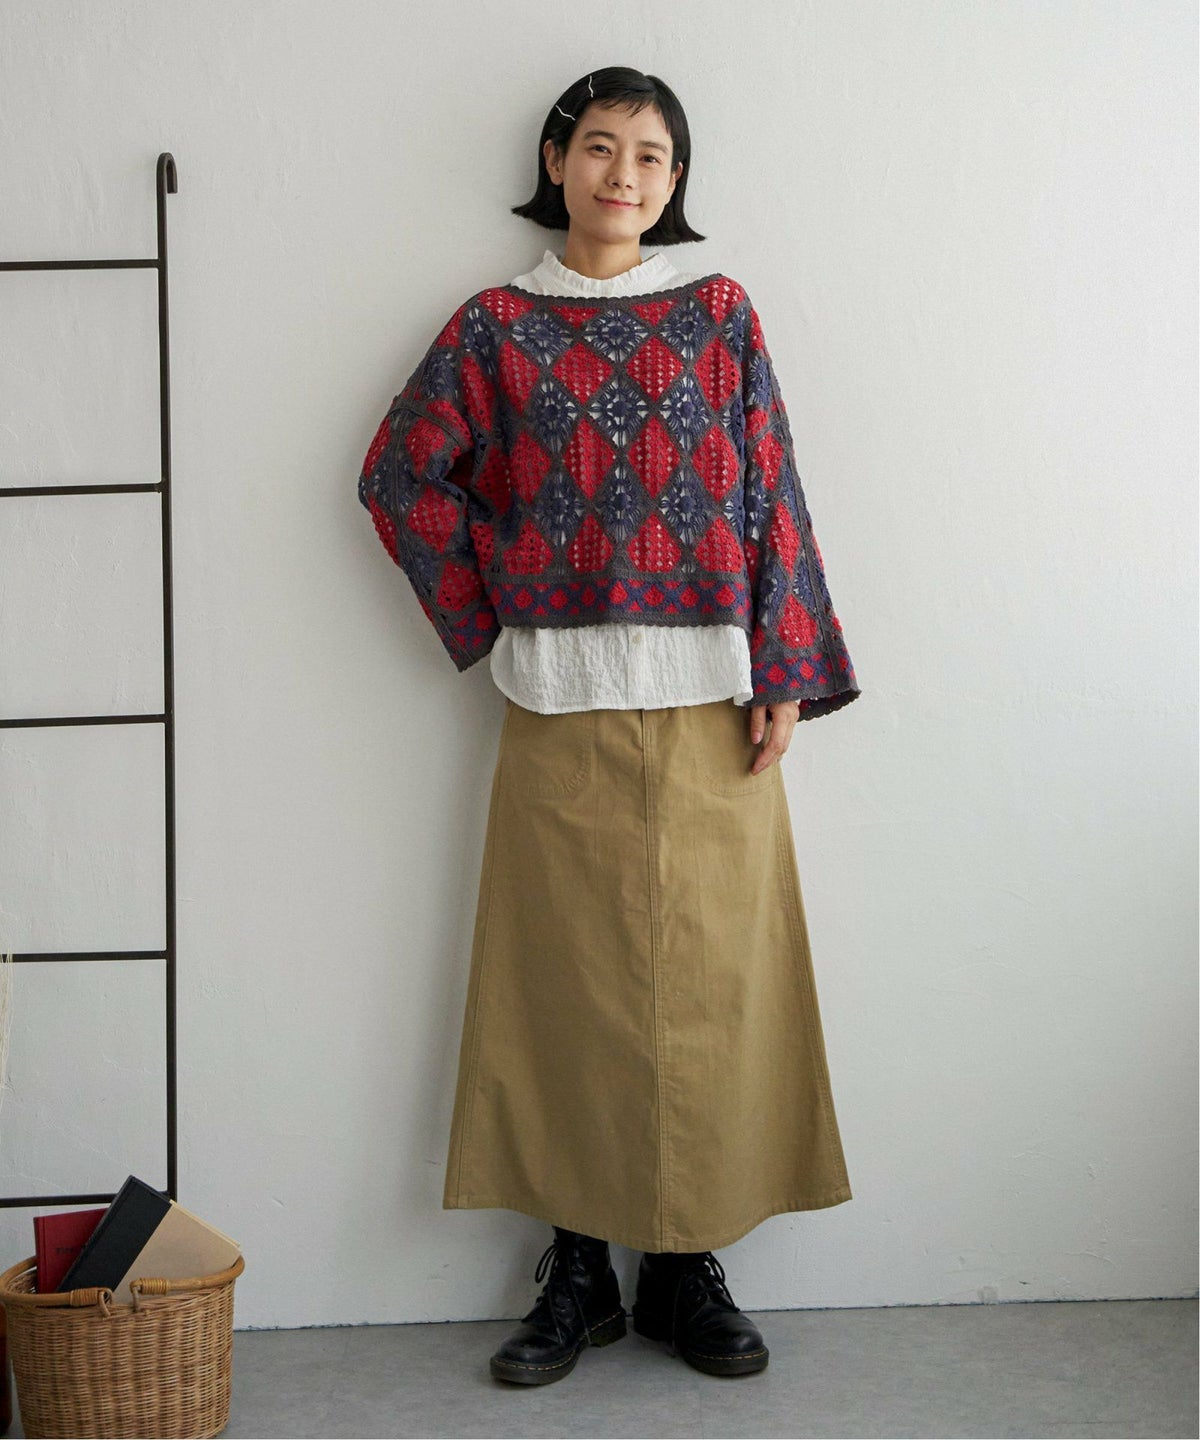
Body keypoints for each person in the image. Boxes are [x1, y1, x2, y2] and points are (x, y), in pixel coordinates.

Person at [356, 66, 861, 1387]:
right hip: (558, 707)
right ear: (556, 160)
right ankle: (577, 1271)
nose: (622, 174)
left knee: (714, 988)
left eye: (649, 155)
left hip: (713, 705)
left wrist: (786, 661)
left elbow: (770, 485)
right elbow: (399, 473)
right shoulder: (495, 329)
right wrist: (494, 612)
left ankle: (686, 1266)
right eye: (598, 147)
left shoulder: (718, 314)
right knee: (563, 990)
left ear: (674, 180)